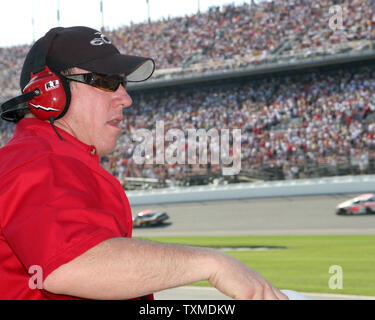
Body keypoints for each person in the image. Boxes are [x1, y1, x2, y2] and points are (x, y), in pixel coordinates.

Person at [0, 26, 287, 300]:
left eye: (122, 83)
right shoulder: (39, 161)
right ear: (51, 92)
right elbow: (72, 264)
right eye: (107, 82)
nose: (126, 99)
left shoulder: (52, 158)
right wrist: (213, 264)